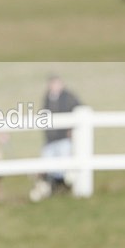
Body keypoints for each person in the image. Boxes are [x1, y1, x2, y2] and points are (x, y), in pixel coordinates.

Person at [30, 73, 81, 201]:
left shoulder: (68, 96)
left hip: (63, 137)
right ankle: (52, 188)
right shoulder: (47, 97)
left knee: (63, 166)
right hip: (51, 138)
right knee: (48, 165)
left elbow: (79, 109)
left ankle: (63, 188)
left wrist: (71, 128)